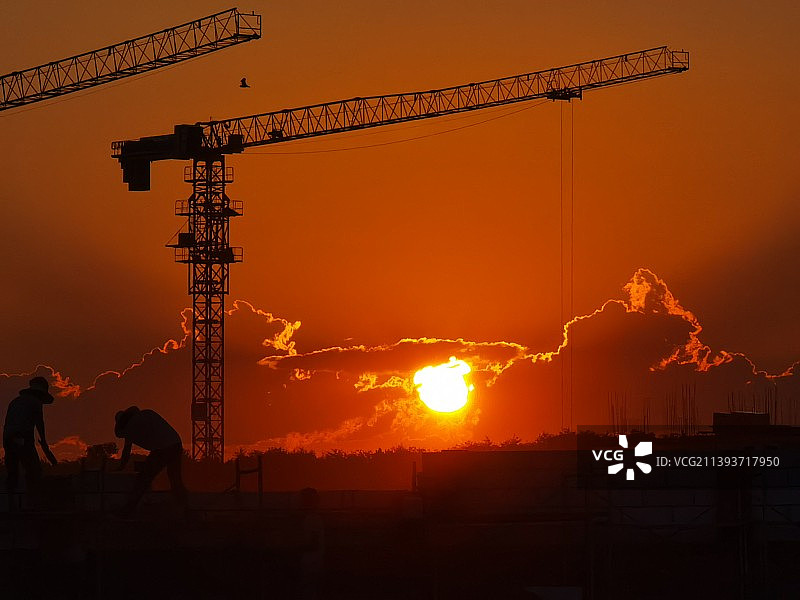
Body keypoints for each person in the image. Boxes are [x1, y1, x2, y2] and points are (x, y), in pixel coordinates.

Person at [114, 406, 187, 516]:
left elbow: (126, 450)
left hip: (162, 449)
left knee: (143, 479)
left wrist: (121, 466)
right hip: (175, 444)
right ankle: (185, 508)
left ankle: (128, 510)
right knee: (175, 478)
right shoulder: (146, 414)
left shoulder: (130, 427)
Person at [3, 376, 58, 496]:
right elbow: (39, 423)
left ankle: (10, 503)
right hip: (22, 437)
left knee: (12, 471)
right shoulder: (35, 402)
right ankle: (33, 500)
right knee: (34, 470)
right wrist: (43, 441)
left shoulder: (15, 401)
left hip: (7, 438)